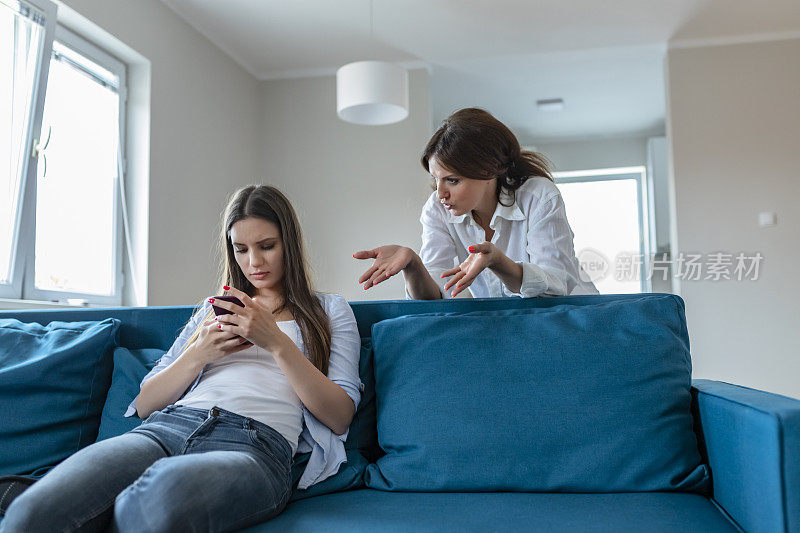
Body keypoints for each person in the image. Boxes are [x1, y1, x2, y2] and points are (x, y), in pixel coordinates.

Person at [1, 185, 362, 532]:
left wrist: (277, 344)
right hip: (166, 428)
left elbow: (340, 415)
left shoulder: (328, 310)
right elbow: (145, 404)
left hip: (254, 447)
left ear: (289, 244)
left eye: (267, 246)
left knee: (155, 501)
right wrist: (198, 354)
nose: (254, 262)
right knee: (30, 512)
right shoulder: (213, 310)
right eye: (240, 249)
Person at [355, 107, 598, 299]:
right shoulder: (437, 209)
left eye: (452, 180)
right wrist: (412, 264)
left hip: (574, 317)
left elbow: (557, 284)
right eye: (435, 179)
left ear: (488, 171)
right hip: (510, 326)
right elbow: (438, 295)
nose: (441, 193)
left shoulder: (538, 196)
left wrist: (499, 262)